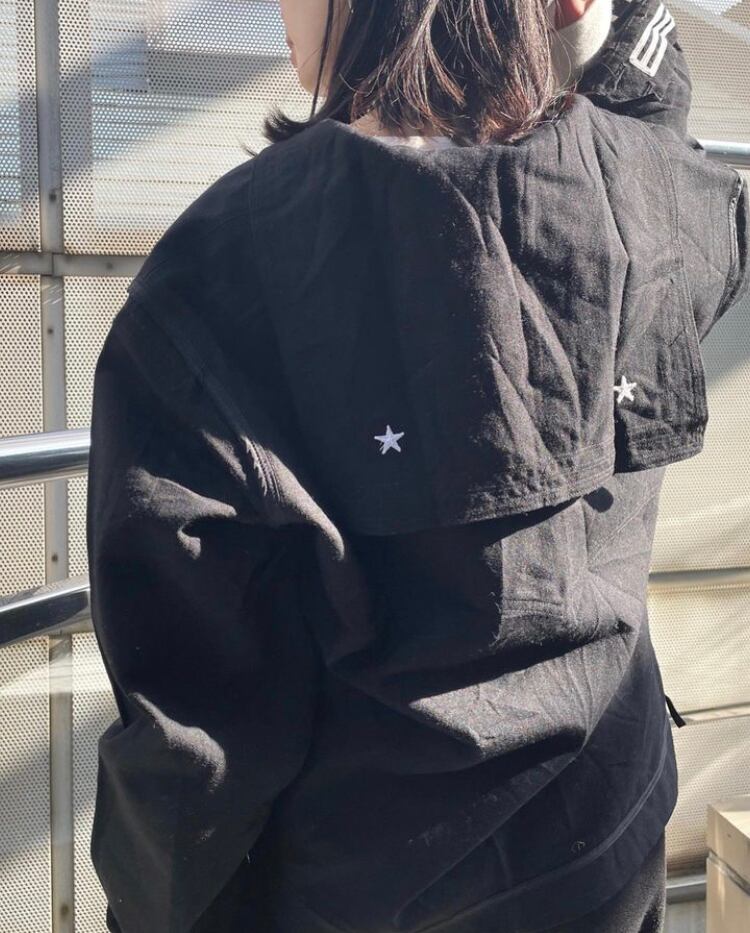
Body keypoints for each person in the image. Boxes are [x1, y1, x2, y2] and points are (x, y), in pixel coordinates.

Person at [86, 1, 749, 931]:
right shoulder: (652, 196)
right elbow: (646, 80)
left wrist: (144, 915)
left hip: (373, 886)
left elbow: (191, 737)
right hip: (607, 832)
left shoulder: (222, 270)